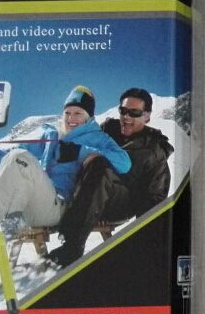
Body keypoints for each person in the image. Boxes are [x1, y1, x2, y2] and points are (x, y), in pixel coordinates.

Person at [0, 86, 132, 236]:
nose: (71, 118)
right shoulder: (52, 135)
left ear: (88, 116)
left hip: (57, 207)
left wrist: (81, 151)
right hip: (24, 201)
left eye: (78, 113)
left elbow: (124, 163)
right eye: (68, 112)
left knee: (20, 160)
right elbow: (8, 152)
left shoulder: (98, 138)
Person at [48, 87, 173, 267]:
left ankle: (73, 247)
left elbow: (154, 200)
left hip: (123, 204)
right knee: (95, 166)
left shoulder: (155, 150)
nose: (126, 117)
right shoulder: (108, 129)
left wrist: (143, 244)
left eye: (134, 113)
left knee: (100, 165)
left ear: (147, 116)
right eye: (123, 111)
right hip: (87, 196)